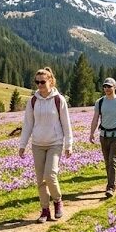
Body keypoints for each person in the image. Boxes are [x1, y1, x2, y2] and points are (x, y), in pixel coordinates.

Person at [18, 67, 73, 223]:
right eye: (37, 82)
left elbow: (66, 123)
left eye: (42, 81)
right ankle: (44, 210)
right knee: (40, 180)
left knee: (50, 175)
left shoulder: (59, 99)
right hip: (37, 144)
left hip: (55, 143)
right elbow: (28, 124)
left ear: (50, 81)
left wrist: (69, 144)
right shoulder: (32, 101)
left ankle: (57, 201)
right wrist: (23, 144)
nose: (39, 85)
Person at [89, 78, 116, 197]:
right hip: (104, 135)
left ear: (115, 87)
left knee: (113, 160)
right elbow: (95, 118)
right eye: (105, 87)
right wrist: (91, 133)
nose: (107, 89)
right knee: (107, 162)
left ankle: (110, 186)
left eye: (109, 86)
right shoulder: (100, 102)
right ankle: (113, 181)